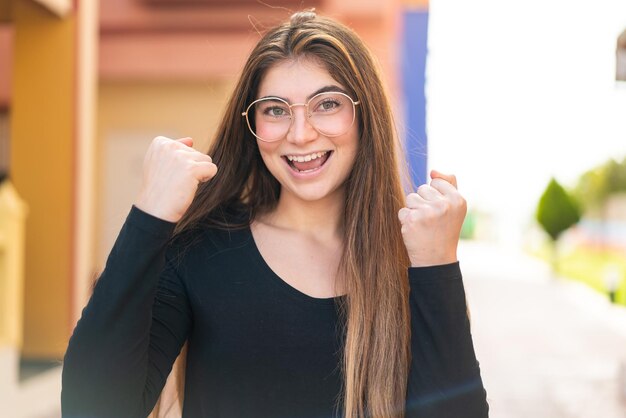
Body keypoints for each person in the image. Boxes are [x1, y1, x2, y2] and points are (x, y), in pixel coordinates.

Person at [61, 9, 489, 418]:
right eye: (275, 110)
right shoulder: (201, 252)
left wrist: (438, 268)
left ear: (365, 115)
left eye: (327, 104)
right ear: (253, 123)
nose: (300, 134)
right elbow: (93, 406)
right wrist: (148, 216)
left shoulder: (410, 258)